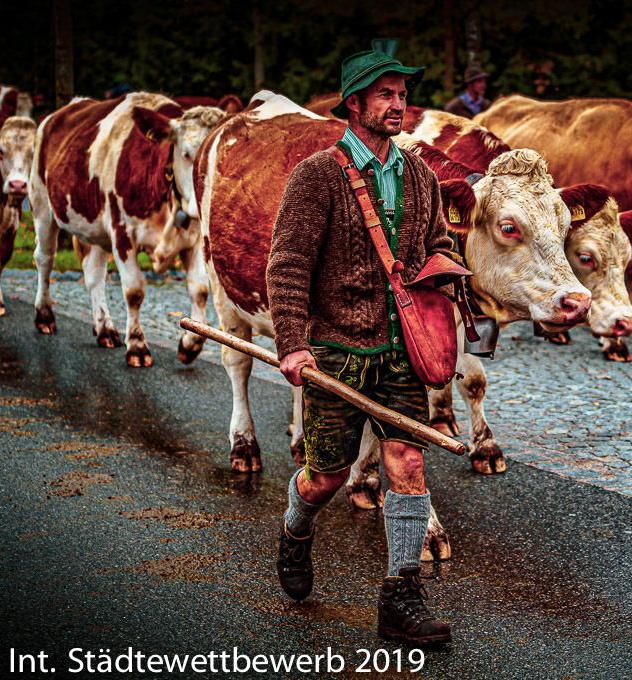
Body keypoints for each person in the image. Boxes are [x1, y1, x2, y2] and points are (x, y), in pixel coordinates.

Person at [266, 47, 454, 645]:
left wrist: (446, 268)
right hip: (335, 352)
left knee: (408, 461)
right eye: (386, 95)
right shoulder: (317, 175)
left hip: (402, 350)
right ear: (355, 104)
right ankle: (296, 529)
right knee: (327, 476)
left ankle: (402, 595)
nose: (399, 104)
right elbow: (288, 265)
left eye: (403, 94)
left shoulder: (421, 177)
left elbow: (438, 243)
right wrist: (293, 344)